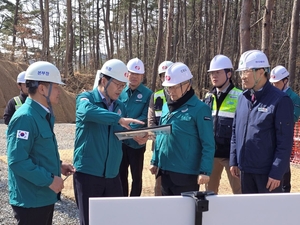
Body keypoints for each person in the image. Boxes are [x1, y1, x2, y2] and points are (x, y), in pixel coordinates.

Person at [73, 59, 147, 225]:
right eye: (118, 85)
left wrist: (135, 138)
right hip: (88, 174)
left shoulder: (120, 105)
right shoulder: (86, 98)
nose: (121, 90)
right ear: (104, 81)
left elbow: (118, 134)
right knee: (90, 221)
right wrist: (118, 119)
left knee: (114, 221)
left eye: (123, 86)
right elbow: (87, 112)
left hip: (112, 175)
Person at [6, 61, 75, 225]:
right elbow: (17, 161)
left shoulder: (42, 114)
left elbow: (38, 152)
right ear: (42, 89)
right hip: (31, 199)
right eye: (56, 87)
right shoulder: (25, 117)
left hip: (42, 196)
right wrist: (50, 180)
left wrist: (57, 166)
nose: (60, 92)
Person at [230, 50, 294, 194]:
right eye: (241, 72)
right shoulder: (242, 98)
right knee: (248, 214)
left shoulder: (280, 100)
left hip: (267, 175)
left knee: (268, 215)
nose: (242, 77)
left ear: (260, 72)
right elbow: (236, 131)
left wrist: (277, 172)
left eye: (246, 72)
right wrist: (234, 160)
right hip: (245, 171)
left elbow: (285, 141)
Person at [150, 62, 215, 196]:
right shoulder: (166, 106)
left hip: (186, 173)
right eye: (168, 88)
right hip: (165, 171)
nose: (170, 92)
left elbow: (208, 143)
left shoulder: (200, 109)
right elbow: (161, 134)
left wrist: (205, 171)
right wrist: (155, 160)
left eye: (174, 87)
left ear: (187, 85)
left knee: (184, 215)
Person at [204, 55, 242, 194]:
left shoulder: (240, 96)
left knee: (239, 192)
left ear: (229, 74)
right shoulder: (208, 97)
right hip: (211, 154)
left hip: (230, 156)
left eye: (218, 72)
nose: (214, 76)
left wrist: (236, 158)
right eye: (212, 73)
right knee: (209, 194)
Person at [119, 57, 153, 197]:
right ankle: (121, 201)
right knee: (121, 175)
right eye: (132, 73)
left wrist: (130, 128)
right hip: (120, 141)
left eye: (137, 74)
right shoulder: (120, 91)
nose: (134, 77)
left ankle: (134, 202)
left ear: (142, 76)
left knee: (136, 177)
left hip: (137, 142)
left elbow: (146, 116)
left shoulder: (148, 94)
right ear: (127, 74)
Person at [269, 65, 300, 193]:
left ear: (285, 81)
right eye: (273, 83)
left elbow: (294, 117)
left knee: (284, 166)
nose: (274, 86)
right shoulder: (271, 95)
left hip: (284, 138)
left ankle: (285, 190)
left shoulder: (294, 98)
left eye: (277, 83)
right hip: (271, 137)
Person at [148, 60, 173, 196]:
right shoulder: (155, 96)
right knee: (159, 183)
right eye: (162, 75)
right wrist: (162, 137)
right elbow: (151, 122)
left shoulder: (182, 95)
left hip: (176, 146)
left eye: (167, 74)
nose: (165, 78)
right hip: (159, 145)